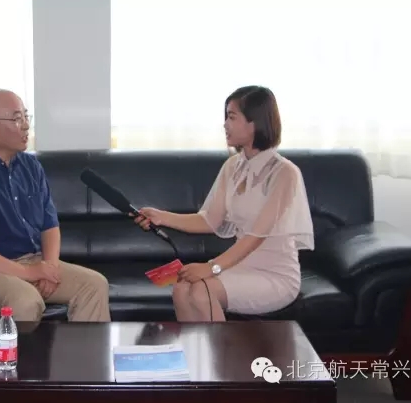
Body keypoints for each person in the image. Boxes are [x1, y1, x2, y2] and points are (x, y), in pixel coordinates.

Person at [134, 85, 314, 322]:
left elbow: (255, 236)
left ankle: (223, 348)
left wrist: (211, 267)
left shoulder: (285, 173)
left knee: (202, 290)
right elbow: (210, 220)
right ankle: (198, 348)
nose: (225, 124)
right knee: (181, 289)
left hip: (275, 275)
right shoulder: (232, 167)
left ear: (255, 122)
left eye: (232, 117)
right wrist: (161, 216)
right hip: (240, 267)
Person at [0, 88, 111, 322]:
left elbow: (49, 225)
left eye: (26, 116)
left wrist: (49, 267)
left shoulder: (31, 166)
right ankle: (18, 349)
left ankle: (83, 348)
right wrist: (29, 273)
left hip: (32, 259)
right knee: (25, 300)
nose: (26, 125)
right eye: (17, 118)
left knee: (94, 284)